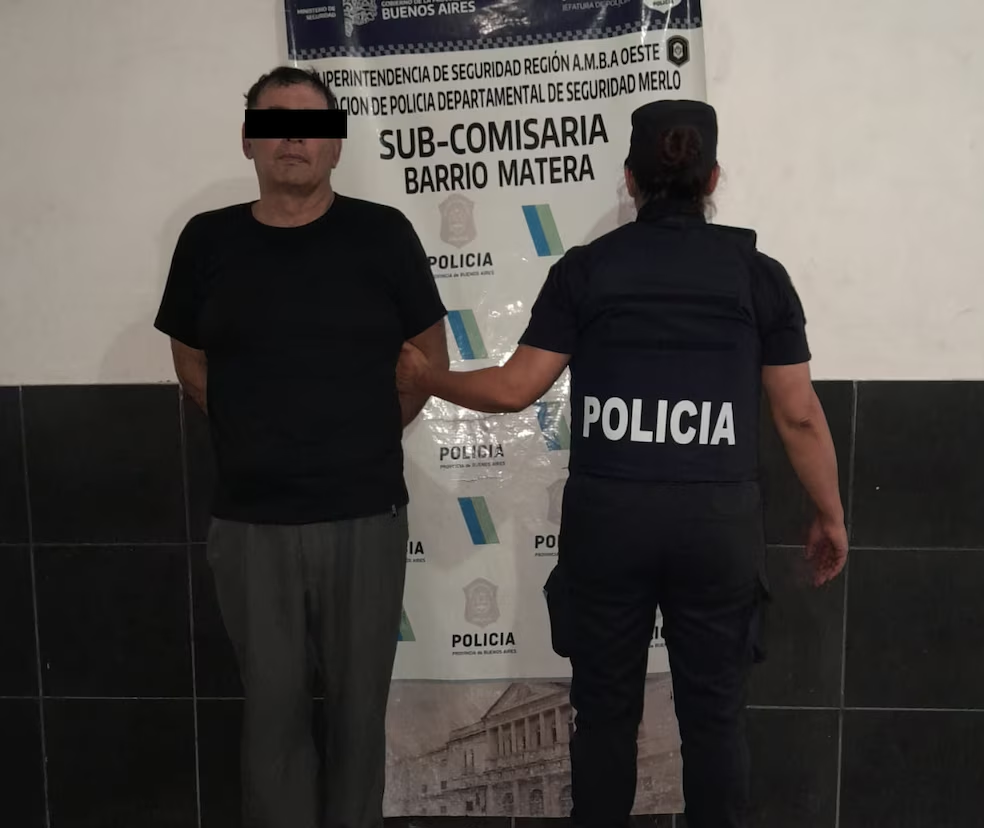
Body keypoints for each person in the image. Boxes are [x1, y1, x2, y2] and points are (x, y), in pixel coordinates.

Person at [395, 99, 848, 828]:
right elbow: (798, 414)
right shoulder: (757, 275)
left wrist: (428, 377)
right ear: (713, 179)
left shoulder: (587, 270)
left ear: (631, 180)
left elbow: (515, 388)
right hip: (716, 525)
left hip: (610, 524)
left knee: (603, 716)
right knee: (715, 718)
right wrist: (829, 513)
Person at [154, 67, 449, 828]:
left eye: (313, 125)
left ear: (335, 146)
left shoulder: (383, 234)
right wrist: (255, 426)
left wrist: (360, 433)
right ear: (248, 139)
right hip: (251, 522)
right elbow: (189, 359)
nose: (294, 137)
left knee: (359, 714)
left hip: (365, 513)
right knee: (271, 716)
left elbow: (427, 360)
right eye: (275, 121)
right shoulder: (207, 240)